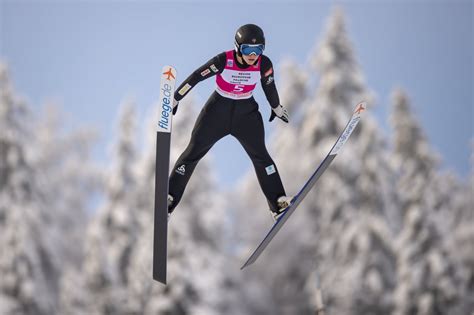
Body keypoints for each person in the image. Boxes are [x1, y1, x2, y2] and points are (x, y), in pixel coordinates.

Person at [168, 24, 291, 220]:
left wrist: (276, 106)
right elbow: (196, 77)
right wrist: (175, 98)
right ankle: (170, 199)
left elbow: (269, 86)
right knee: (192, 152)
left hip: (246, 115)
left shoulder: (264, 64)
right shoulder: (223, 61)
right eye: (247, 50)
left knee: (261, 156)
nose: (253, 55)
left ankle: (277, 203)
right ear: (237, 48)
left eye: (258, 49)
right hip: (217, 112)